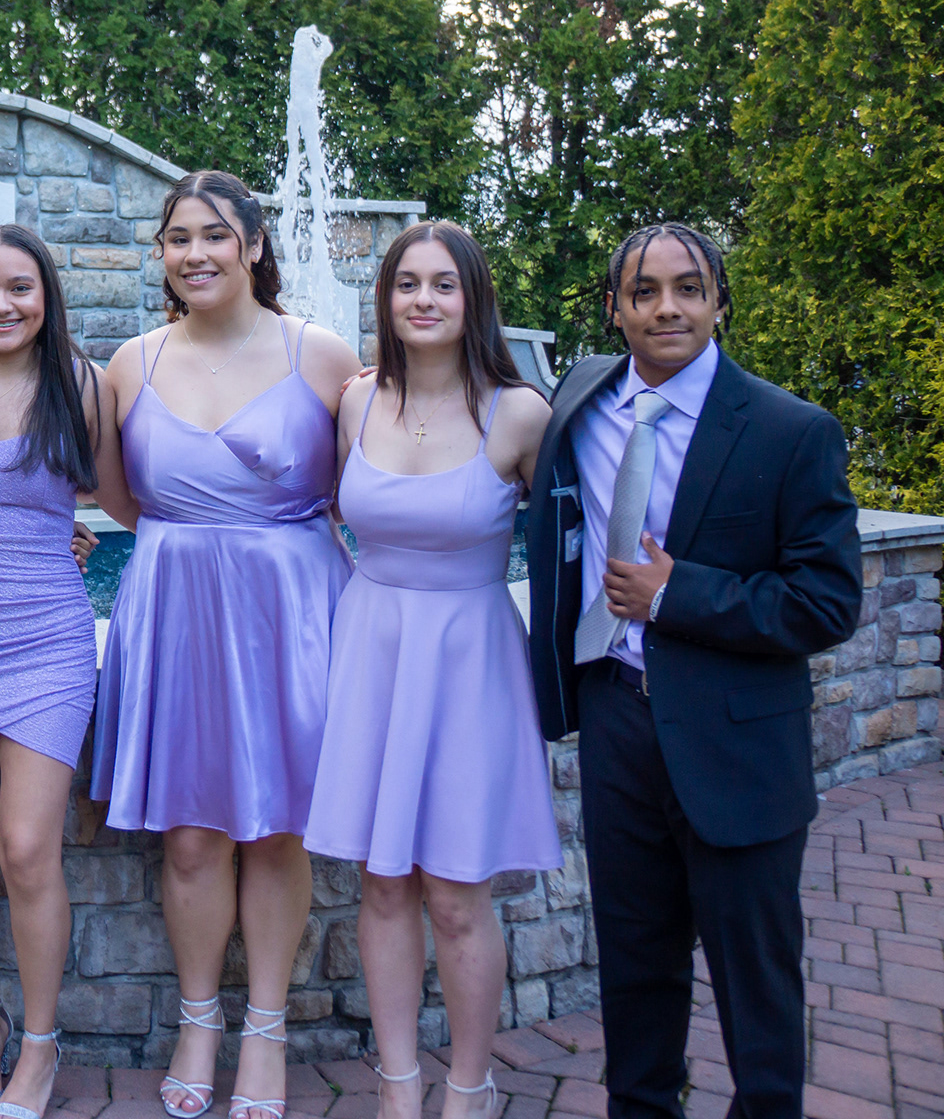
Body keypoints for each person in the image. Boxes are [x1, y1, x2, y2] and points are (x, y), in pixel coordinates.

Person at [525, 224, 861, 1119]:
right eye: (644, 292)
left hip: (738, 743)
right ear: (615, 308)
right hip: (616, 720)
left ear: (718, 300)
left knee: (757, 978)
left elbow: (827, 602)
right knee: (635, 963)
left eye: (687, 288)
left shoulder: (792, 430)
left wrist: (677, 594)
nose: (666, 308)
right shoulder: (580, 398)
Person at [92, 171, 359, 1119]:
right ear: (161, 253)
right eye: (178, 237)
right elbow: (117, 497)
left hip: (290, 608)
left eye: (214, 234)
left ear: (253, 244)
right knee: (193, 834)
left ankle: (268, 1030)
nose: (195, 253)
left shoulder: (320, 355)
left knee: (279, 827)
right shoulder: (131, 363)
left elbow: (363, 490)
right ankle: (199, 1023)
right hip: (175, 605)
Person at [304, 222, 559, 1119]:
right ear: (386, 299)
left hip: (468, 662)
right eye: (406, 283)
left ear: (472, 297)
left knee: (456, 894)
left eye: (443, 284)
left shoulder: (519, 413)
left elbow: (567, 543)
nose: (423, 299)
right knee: (381, 883)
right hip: (373, 649)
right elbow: (321, 513)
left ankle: (471, 1085)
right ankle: (399, 1085)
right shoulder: (355, 402)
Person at [0, 225, 135, 1119]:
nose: (1, 305)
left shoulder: (83, 383)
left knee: (28, 848)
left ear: (46, 294)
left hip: (46, 640)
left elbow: (122, 498)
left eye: (19, 288)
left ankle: (40, 1046)